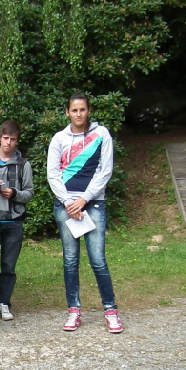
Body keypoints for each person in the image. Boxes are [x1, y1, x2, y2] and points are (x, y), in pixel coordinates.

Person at [47, 93, 123, 334]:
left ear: (88, 111)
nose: (78, 114)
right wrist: (70, 202)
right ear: (67, 113)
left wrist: (83, 200)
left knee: (98, 260)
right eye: (74, 110)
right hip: (66, 205)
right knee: (70, 261)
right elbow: (53, 173)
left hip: (93, 204)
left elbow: (105, 171)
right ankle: (74, 311)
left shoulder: (102, 135)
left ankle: (110, 310)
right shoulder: (59, 138)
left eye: (82, 109)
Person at [0, 120, 34, 321]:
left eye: (13, 139)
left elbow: (29, 194)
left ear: (17, 140)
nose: (8, 143)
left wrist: (13, 193)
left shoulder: (24, 164)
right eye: (5, 138)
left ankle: (4, 303)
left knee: (8, 266)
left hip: (14, 222)